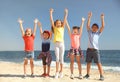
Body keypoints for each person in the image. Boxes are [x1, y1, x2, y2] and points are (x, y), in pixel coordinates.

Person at [84, 12, 105, 81]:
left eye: (96, 27)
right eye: (93, 27)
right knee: (88, 63)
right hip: (89, 50)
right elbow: (87, 25)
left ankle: (101, 75)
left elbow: (103, 26)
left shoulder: (98, 33)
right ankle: (87, 74)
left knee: (98, 63)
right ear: (92, 28)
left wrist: (102, 18)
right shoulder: (89, 32)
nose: (94, 28)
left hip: (96, 50)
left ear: (97, 29)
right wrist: (89, 17)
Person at [49, 8, 68, 78]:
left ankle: (61, 72)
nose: (58, 24)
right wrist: (51, 13)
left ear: (61, 24)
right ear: (55, 24)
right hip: (56, 44)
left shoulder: (62, 28)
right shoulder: (54, 28)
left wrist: (66, 13)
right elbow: (51, 20)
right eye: (57, 23)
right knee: (57, 58)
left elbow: (65, 20)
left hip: (62, 44)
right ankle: (56, 72)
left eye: (59, 23)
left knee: (61, 58)